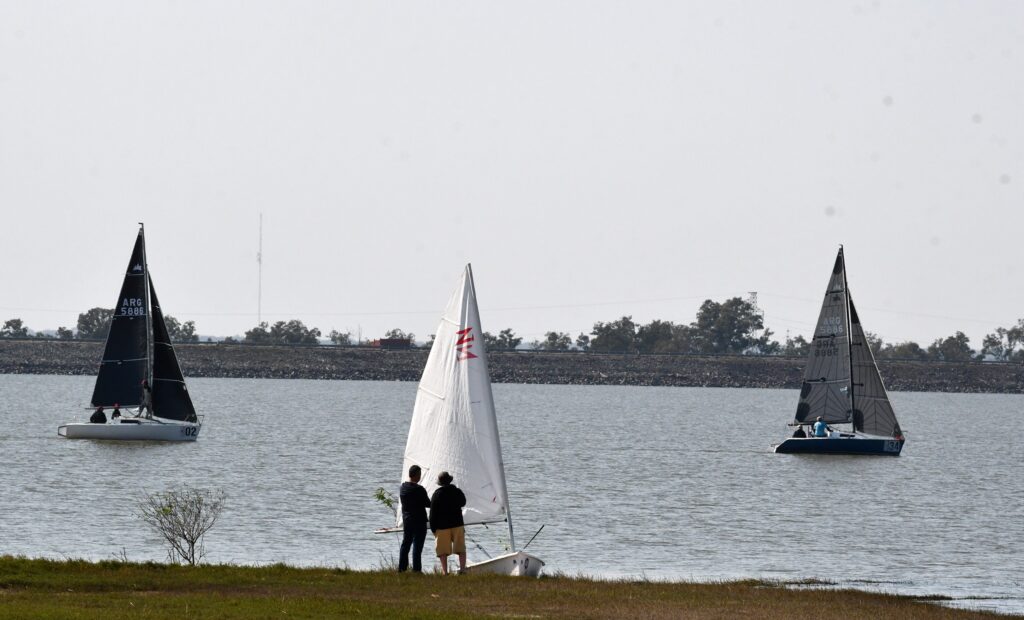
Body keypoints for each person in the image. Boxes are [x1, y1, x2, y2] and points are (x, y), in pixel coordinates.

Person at [429, 471, 467, 575]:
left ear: (440, 483)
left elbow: (432, 513)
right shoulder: (457, 491)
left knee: (442, 551)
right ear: (449, 481)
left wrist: (433, 528)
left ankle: (445, 572)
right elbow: (463, 502)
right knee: (461, 548)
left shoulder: (437, 494)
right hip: (457, 523)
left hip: (442, 526)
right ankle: (462, 570)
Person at [398, 465, 431, 573]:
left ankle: (402, 568)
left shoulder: (403, 487)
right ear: (417, 475)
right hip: (419, 521)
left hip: (407, 520)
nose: (420, 476)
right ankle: (416, 570)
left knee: (406, 544)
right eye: (419, 474)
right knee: (417, 546)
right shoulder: (419, 489)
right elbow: (428, 503)